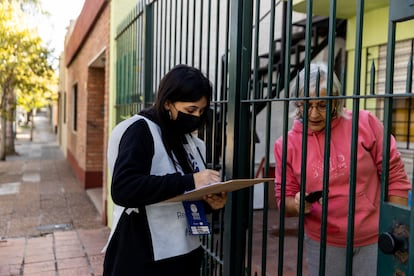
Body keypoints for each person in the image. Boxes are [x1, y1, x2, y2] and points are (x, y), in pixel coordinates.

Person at [273, 62, 411, 276]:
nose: (314, 113)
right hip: (324, 242)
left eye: (322, 104)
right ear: (296, 104)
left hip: (374, 237)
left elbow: (395, 175)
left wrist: (396, 229)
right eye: (306, 105)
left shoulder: (365, 123)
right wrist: (299, 204)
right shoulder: (286, 145)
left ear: (336, 101)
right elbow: (285, 200)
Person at [103, 64, 227, 275]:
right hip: (143, 255)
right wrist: (191, 181)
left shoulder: (190, 140)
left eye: (202, 111)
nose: (197, 116)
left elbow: (184, 193)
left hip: (185, 250)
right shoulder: (140, 130)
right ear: (168, 103)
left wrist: (210, 203)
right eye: (190, 110)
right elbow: (123, 188)